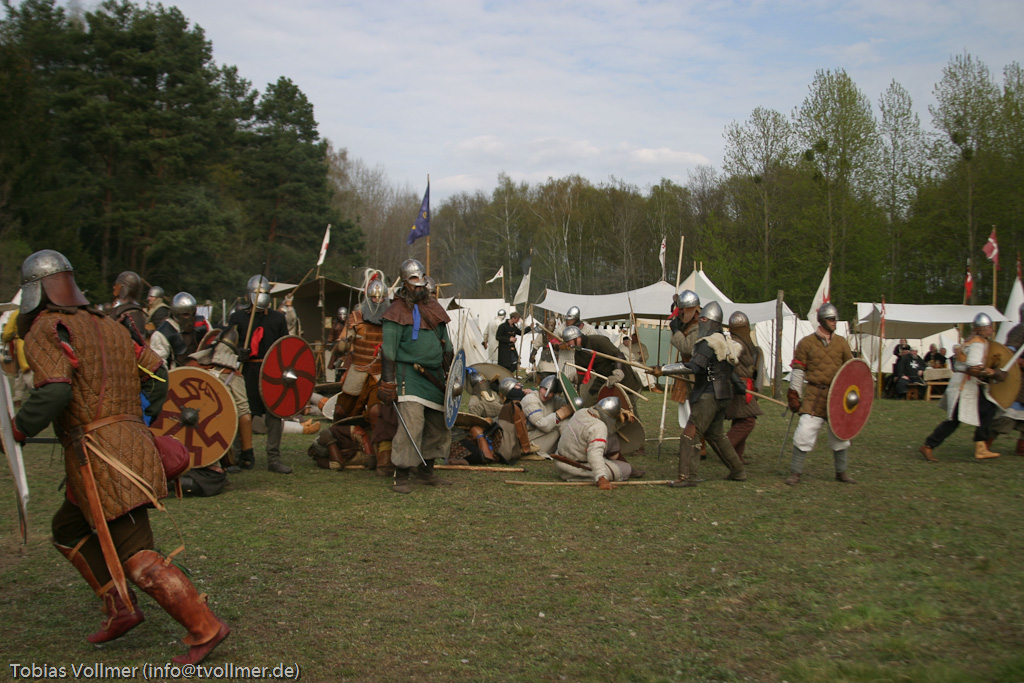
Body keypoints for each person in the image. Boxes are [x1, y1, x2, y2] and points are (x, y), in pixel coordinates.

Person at [7, 249, 228, 664]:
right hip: (118, 449)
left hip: (103, 458)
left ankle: (205, 627)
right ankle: (119, 606)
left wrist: (18, 428)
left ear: (36, 290)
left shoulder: (47, 328)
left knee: (137, 553)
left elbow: (55, 391)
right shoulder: (111, 325)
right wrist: (135, 420)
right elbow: (158, 374)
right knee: (67, 528)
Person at [378, 259, 454, 494]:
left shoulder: (434, 308)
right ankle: (401, 474)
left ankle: (425, 471)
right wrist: (388, 381)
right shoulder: (395, 312)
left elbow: (447, 345)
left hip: (435, 377)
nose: (419, 285)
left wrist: (453, 373)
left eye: (422, 280)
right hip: (408, 375)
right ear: (405, 283)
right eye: (414, 281)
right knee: (412, 425)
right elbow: (388, 351)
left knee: (438, 424)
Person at [659, 301, 747, 487]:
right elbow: (730, 370)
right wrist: (738, 384)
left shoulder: (707, 344)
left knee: (690, 433)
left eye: (703, 320)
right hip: (724, 394)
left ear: (708, 321)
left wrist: (664, 370)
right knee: (716, 435)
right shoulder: (725, 342)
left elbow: (695, 366)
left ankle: (687, 476)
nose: (700, 323)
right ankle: (738, 471)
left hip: (708, 395)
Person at [313, 276, 395, 477]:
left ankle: (381, 459)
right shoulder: (356, 317)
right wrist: (343, 344)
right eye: (373, 297)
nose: (376, 301)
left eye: (380, 298)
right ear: (368, 297)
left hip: (379, 373)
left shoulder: (392, 318)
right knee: (341, 411)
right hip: (358, 371)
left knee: (377, 413)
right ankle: (340, 445)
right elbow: (341, 344)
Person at [785, 302, 856, 485]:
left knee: (840, 435)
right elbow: (798, 370)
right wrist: (794, 394)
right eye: (831, 319)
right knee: (804, 433)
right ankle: (795, 473)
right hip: (814, 395)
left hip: (837, 396)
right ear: (822, 320)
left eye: (835, 319)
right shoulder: (806, 343)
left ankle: (841, 472)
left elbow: (851, 369)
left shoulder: (841, 343)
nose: (834, 322)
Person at [227, 275, 292, 474]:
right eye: (256, 292)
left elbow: (285, 347)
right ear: (249, 295)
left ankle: (274, 458)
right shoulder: (238, 318)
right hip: (247, 371)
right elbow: (228, 345)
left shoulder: (277, 318)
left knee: (274, 415)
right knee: (243, 413)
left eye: (263, 292)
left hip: (271, 372)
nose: (260, 296)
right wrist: (239, 352)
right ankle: (240, 456)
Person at [919, 313, 1005, 462]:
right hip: (964, 385)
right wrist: (993, 373)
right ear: (980, 329)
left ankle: (981, 446)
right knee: (954, 420)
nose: (990, 330)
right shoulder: (978, 343)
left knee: (988, 408)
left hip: (968, 384)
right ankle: (928, 445)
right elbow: (973, 366)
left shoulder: (970, 341)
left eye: (990, 327)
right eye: (988, 328)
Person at [186, 327, 255, 472]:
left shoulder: (192, 366)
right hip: (213, 433)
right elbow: (245, 417)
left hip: (185, 430)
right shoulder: (232, 375)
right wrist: (247, 450)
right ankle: (221, 462)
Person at [554, 396, 638, 487]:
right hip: (574, 468)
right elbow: (594, 453)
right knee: (626, 469)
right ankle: (620, 467)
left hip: (561, 461)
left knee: (612, 438)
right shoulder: (598, 427)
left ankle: (615, 461)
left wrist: (622, 422)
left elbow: (609, 429)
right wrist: (601, 477)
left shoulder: (582, 412)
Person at [560, 325, 644, 406]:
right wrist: (577, 377)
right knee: (589, 404)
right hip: (602, 377)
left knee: (626, 407)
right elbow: (582, 372)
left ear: (577, 338)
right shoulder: (578, 353)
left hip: (622, 376)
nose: (567, 344)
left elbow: (618, 355)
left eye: (568, 341)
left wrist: (618, 373)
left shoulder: (598, 341)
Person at [724, 310, 763, 464]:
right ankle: (725, 448)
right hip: (739, 387)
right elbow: (729, 361)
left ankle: (736, 456)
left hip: (744, 385)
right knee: (748, 421)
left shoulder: (740, 342)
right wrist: (736, 381)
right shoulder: (736, 343)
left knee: (740, 419)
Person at [521, 374, 573, 456]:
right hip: (529, 442)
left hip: (541, 435)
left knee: (567, 421)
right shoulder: (530, 400)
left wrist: (572, 406)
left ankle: (572, 449)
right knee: (562, 422)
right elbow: (543, 425)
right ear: (540, 387)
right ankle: (570, 452)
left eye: (551, 392)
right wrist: (560, 414)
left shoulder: (552, 399)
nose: (546, 394)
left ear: (554, 394)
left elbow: (567, 405)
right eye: (545, 389)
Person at [150, 292, 199, 368]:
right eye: (186, 314)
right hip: (175, 374)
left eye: (193, 314)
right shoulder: (161, 334)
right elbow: (159, 367)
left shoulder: (202, 325)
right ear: (176, 313)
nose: (190, 318)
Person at [109, 271, 148, 340]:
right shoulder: (118, 308)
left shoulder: (132, 312)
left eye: (116, 285)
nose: (114, 287)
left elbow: (139, 340)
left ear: (122, 288)